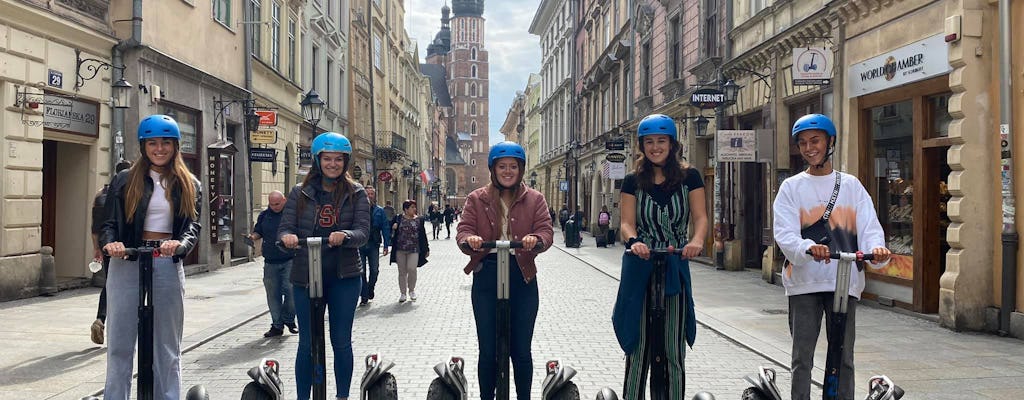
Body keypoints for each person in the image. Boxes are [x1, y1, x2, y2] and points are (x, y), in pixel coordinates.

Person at [773, 114, 891, 400]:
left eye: (815, 140)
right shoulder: (791, 187)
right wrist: (807, 248)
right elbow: (785, 234)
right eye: (802, 143)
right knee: (802, 358)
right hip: (804, 283)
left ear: (831, 142)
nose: (809, 147)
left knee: (843, 356)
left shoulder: (851, 186)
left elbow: (869, 226)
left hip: (844, 282)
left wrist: (877, 250)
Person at [99, 115, 201, 400]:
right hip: (127, 260)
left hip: (166, 260)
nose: (159, 149)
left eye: (166, 143)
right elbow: (107, 223)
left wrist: (180, 244)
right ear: (144, 146)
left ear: (175, 146)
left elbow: (193, 225)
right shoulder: (124, 179)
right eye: (153, 143)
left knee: (166, 347)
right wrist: (112, 244)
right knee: (119, 344)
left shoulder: (188, 183)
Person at [611, 114, 708, 399]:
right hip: (641, 264)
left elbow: (701, 217)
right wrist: (635, 241)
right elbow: (626, 223)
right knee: (638, 348)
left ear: (672, 144)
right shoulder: (632, 180)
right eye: (649, 142)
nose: (655, 147)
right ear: (642, 145)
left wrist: (697, 241)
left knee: (672, 349)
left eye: (661, 141)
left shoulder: (690, 177)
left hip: (675, 262)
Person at [456, 141, 554, 400]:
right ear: (493, 169)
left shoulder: (535, 199)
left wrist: (536, 239)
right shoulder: (477, 198)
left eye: (513, 166)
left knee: (521, 349)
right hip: (487, 273)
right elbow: (464, 230)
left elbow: (546, 230)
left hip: (522, 274)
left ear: (521, 169)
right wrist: (471, 241)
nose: (508, 171)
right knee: (488, 349)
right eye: (502, 166)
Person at [279, 132, 370, 400]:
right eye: (327, 159)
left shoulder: (357, 193)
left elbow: (363, 231)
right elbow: (284, 229)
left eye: (338, 159)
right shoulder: (300, 192)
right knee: (307, 342)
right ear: (318, 161)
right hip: (305, 274)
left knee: (340, 341)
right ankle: (303, 397)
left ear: (345, 161)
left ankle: (342, 396)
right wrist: (287, 238)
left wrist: (347, 235)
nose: (332, 164)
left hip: (344, 276)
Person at [89, 159, 132, 345]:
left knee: (110, 282)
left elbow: (95, 226)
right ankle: (113, 325)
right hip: (124, 245)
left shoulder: (100, 194)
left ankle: (101, 318)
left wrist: (97, 248)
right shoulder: (128, 191)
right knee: (121, 286)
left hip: (106, 243)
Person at [250, 191, 298, 337]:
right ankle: (277, 325)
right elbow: (259, 231)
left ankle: (289, 319)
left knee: (291, 292)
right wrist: (252, 237)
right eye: (271, 204)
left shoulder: (292, 215)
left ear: (284, 200)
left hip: (289, 259)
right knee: (273, 295)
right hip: (270, 261)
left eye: (277, 204)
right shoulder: (265, 215)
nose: (274, 207)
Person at [388, 199, 429, 302]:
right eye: (412, 207)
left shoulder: (419, 219)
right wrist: (393, 227)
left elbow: (423, 235)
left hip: (414, 249)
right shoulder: (398, 218)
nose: (414, 209)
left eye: (414, 207)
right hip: (400, 249)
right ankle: (403, 293)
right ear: (405, 209)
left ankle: (411, 290)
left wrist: (426, 248)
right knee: (402, 272)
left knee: (412, 269)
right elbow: (389, 230)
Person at [359, 187, 391, 306]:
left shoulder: (379, 211)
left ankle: (370, 287)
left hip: (374, 244)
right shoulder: (358, 210)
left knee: (374, 270)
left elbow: (385, 227)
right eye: (367, 194)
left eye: (372, 194)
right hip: (360, 245)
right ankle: (364, 295)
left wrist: (386, 245)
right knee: (361, 271)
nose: (369, 196)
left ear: (374, 196)